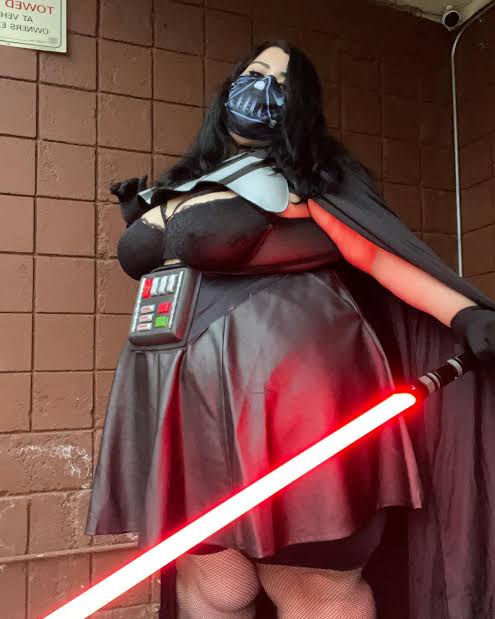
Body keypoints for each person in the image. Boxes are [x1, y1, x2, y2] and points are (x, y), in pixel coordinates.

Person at [86, 40, 495, 619]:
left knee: (313, 585)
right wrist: (148, 219)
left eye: (282, 82)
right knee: (216, 584)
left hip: (285, 402)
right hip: (178, 402)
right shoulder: (191, 179)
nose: (263, 87)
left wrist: (462, 313)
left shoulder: (309, 177)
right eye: (256, 72)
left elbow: (375, 254)